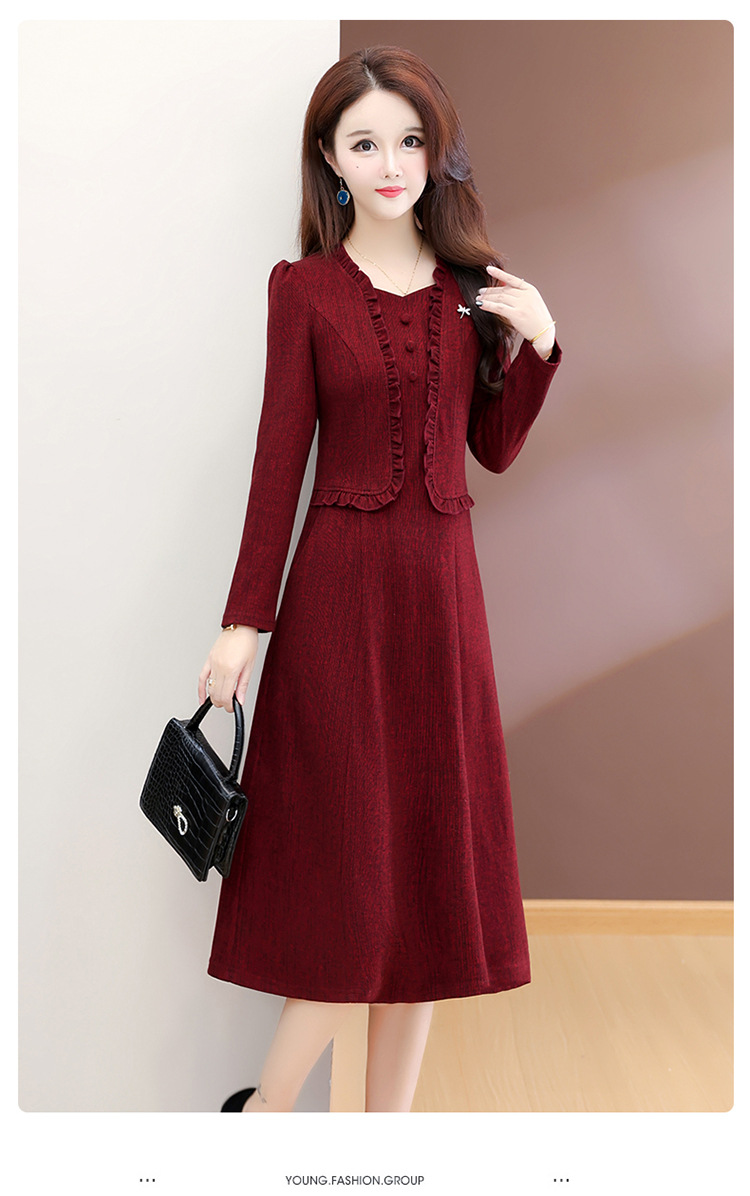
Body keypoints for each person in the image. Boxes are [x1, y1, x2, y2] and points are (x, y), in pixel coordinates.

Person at [199, 45, 562, 1114]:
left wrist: (540, 343)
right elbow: (278, 465)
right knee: (351, 894)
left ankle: (382, 1146)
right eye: (366, 143)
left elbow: (493, 448)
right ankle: (263, 1121)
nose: (392, 164)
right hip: (337, 610)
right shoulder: (304, 291)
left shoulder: (472, 293)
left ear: (436, 151)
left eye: (410, 140)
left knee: (432, 889)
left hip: (444, 610)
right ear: (330, 158)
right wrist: (242, 627)